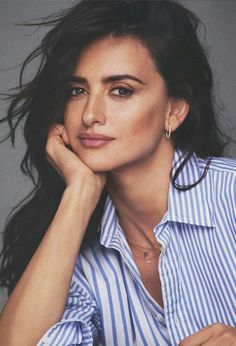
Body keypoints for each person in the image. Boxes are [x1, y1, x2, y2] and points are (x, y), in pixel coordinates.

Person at [0, 0, 235, 345]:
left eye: (121, 90)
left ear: (174, 110)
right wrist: (79, 194)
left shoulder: (230, 195)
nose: (90, 115)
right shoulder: (77, 259)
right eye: (77, 91)